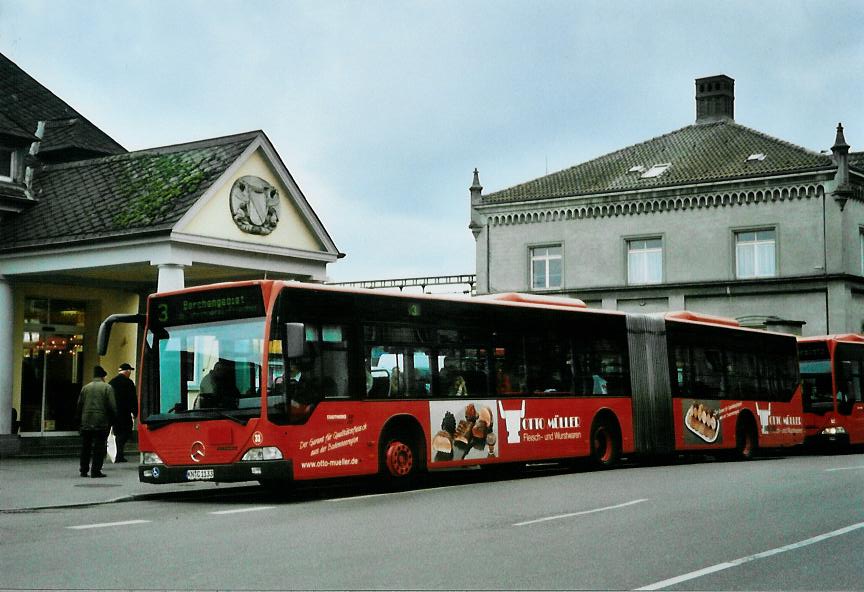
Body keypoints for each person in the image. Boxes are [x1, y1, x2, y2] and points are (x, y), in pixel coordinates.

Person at [76, 365, 116, 478]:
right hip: (101, 421)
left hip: (86, 421)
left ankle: (83, 469)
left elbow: (79, 405)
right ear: (103, 376)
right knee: (99, 447)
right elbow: (112, 406)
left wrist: (79, 420)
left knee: (86, 446)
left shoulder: (85, 388)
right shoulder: (107, 388)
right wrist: (113, 419)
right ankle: (95, 470)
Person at [109, 362, 137, 462]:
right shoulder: (129, 383)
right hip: (125, 413)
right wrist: (135, 411)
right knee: (126, 431)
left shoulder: (112, 382)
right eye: (129, 371)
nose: (130, 373)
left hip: (115, 412)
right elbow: (133, 398)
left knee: (117, 432)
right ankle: (119, 454)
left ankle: (119, 454)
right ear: (127, 371)